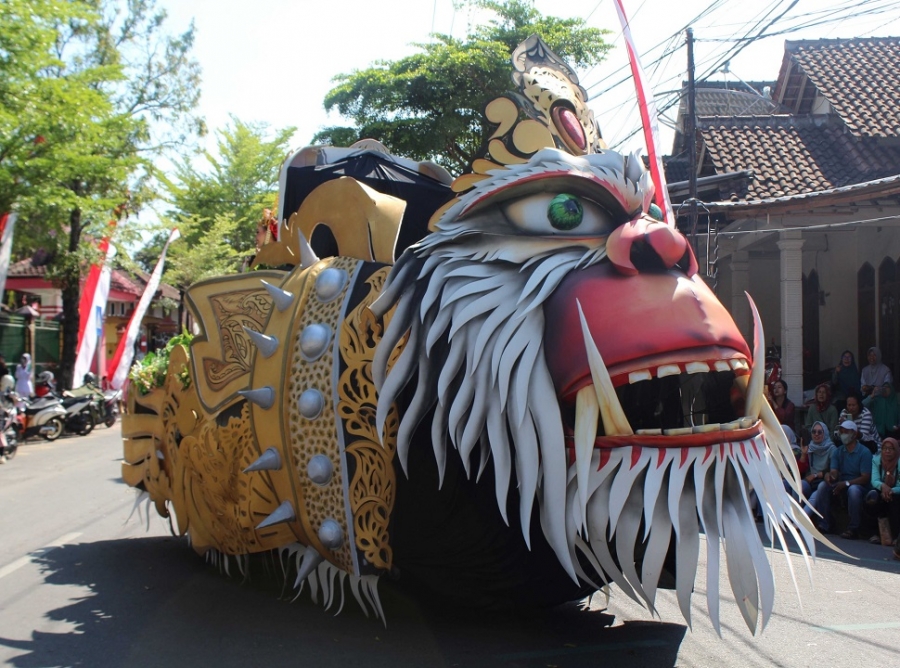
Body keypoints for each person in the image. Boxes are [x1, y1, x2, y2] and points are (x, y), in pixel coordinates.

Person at [806, 419, 873, 538]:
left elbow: (865, 478)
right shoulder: (838, 451)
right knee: (822, 486)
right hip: (841, 483)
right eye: (841, 431)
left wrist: (846, 483)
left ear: (854, 434)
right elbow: (834, 471)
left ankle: (853, 528)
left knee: (854, 491)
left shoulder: (864, 452)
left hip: (859, 486)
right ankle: (824, 524)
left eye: (846, 431)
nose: (843, 434)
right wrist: (830, 476)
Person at [865, 436, 900, 544]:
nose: (887, 451)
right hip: (881, 490)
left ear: (896, 450)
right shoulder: (876, 460)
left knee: (895, 501)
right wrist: (883, 487)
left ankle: (896, 537)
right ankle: (874, 534)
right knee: (872, 498)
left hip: (895, 492)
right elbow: (874, 480)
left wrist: (891, 491)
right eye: (885, 448)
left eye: (891, 449)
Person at [801, 420, 836, 500]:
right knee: (800, 485)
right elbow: (800, 471)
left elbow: (833, 469)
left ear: (825, 434)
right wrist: (803, 454)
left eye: (820, 432)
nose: (816, 434)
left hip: (825, 482)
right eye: (814, 431)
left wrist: (815, 475)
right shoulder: (810, 448)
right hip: (811, 482)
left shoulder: (832, 449)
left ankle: (802, 513)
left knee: (815, 496)